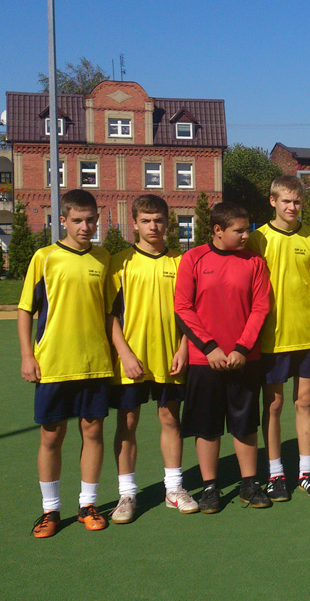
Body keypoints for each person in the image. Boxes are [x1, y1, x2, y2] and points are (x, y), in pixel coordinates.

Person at [21, 189, 114, 538]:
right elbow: (25, 310)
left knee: (93, 432)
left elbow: (110, 313)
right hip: (54, 363)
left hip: (95, 363)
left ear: (97, 219)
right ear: (62, 220)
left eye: (90, 220)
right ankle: (50, 510)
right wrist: (27, 356)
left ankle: (88, 505)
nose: (85, 226)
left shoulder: (103, 259)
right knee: (51, 436)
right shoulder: (44, 257)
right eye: (77, 220)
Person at [175, 202, 272, 513]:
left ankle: (249, 484)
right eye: (239, 231)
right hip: (205, 361)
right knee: (207, 426)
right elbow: (182, 307)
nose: (246, 235)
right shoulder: (193, 259)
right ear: (217, 230)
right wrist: (209, 348)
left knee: (245, 423)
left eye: (247, 229)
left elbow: (261, 307)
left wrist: (242, 348)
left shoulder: (255, 262)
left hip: (244, 359)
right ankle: (209, 487)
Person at [106, 195, 196, 524]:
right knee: (127, 423)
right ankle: (127, 494)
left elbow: (191, 313)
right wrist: (125, 353)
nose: (153, 226)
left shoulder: (181, 262)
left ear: (168, 222)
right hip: (132, 361)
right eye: (146, 220)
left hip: (170, 358)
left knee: (171, 420)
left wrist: (184, 348)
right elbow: (110, 315)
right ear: (134, 223)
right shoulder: (120, 263)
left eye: (158, 220)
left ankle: (174, 488)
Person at [248, 176, 310, 501]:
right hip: (271, 338)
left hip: (307, 335)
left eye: (297, 201)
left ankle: (306, 472)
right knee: (274, 405)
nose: (292, 207)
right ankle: (275, 473)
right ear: (273, 201)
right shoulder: (258, 239)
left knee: (305, 402)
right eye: (286, 201)